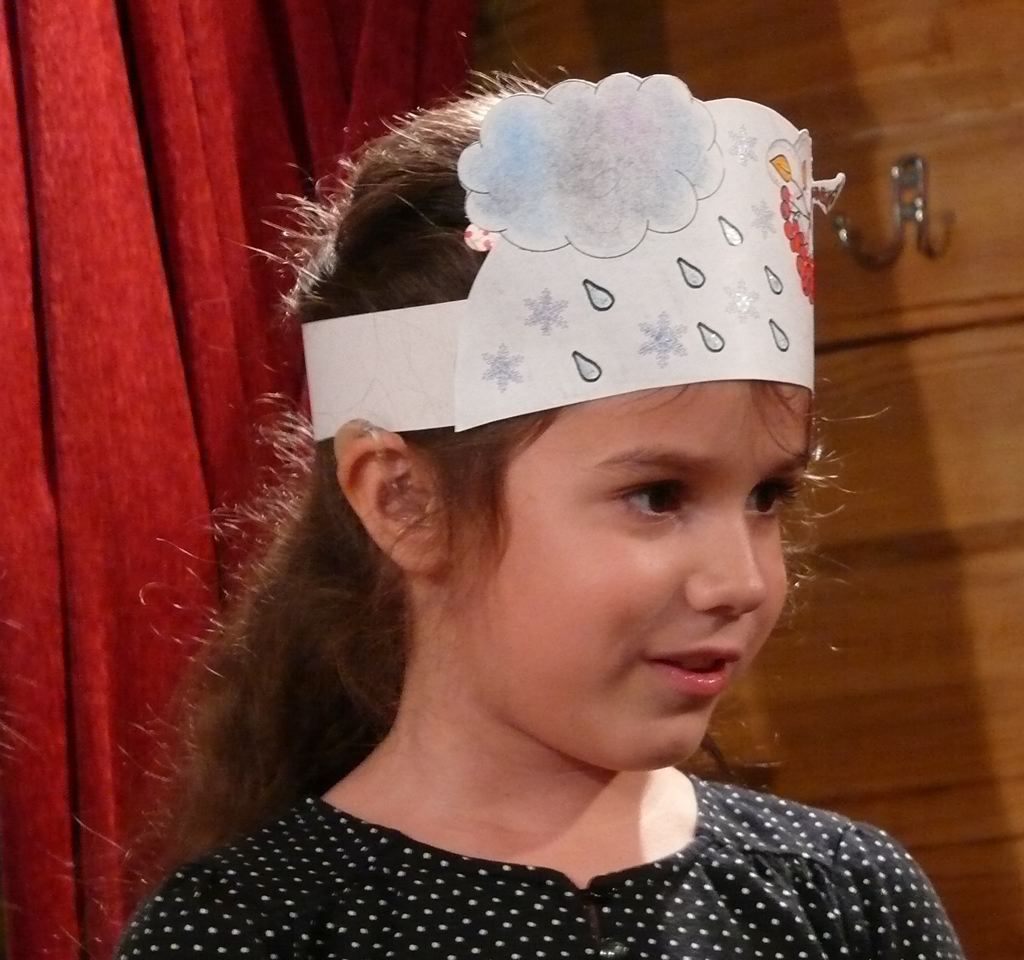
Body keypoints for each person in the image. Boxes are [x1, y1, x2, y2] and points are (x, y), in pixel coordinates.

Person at [112, 70, 967, 960]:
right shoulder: (247, 932)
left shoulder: (846, 901)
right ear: (404, 501)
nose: (742, 581)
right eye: (658, 496)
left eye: (767, 497)